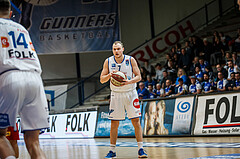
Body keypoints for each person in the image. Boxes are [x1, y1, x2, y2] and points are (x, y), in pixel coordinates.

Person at [0, 1, 49, 159]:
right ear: (10, 13)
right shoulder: (21, 28)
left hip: (10, 77)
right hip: (35, 79)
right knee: (34, 142)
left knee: (1, 135)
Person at [100, 41, 147, 158]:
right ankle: (112, 151)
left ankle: (141, 149)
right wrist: (110, 75)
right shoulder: (108, 61)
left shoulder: (130, 60)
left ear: (123, 49)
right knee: (114, 124)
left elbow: (139, 76)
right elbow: (102, 79)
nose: (116, 51)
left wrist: (129, 81)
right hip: (116, 95)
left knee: (136, 121)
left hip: (131, 93)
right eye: (114, 49)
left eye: (118, 49)